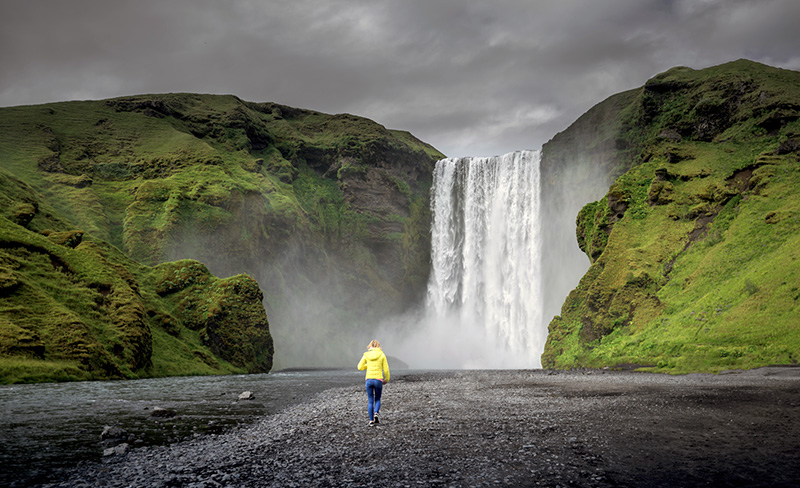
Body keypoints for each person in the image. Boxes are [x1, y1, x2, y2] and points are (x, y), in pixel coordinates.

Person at [357, 339, 390, 426]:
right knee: (378, 398)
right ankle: (376, 413)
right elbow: (386, 369)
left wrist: (368, 365)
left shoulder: (366, 355)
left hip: (369, 380)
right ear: (378, 346)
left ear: (370, 346)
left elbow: (360, 367)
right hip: (378, 380)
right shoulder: (382, 355)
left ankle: (371, 421)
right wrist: (387, 379)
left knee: (370, 401)